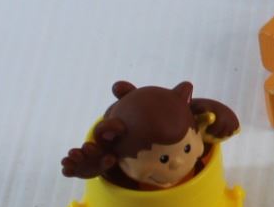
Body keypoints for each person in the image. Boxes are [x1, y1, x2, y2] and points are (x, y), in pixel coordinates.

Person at [61, 80, 238, 190]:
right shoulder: (116, 164)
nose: (177, 162)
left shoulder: (192, 124)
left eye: (187, 148)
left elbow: (200, 121)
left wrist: (220, 115)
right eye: (163, 158)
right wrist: (97, 167)